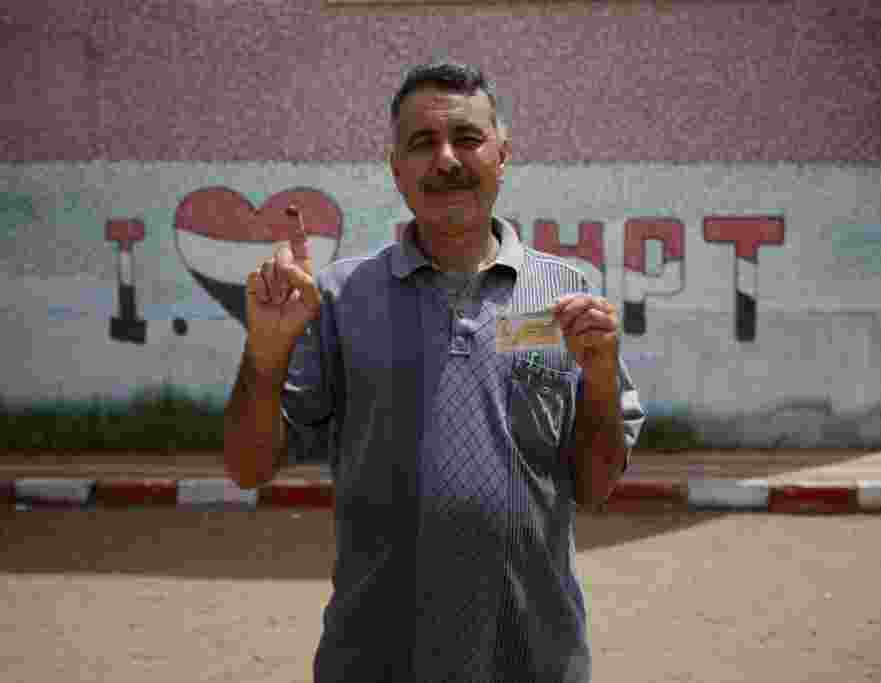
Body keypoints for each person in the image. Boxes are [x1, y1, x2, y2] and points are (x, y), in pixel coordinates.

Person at [224, 60, 646, 683]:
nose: (446, 159)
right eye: (422, 143)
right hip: (376, 656)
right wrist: (263, 351)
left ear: (503, 154)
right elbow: (248, 466)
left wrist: (603, 381)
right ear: (396, 168)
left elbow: (595, 486)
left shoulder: (567, 294)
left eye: (468, 139)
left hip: (532, 657)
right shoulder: (342, 298)